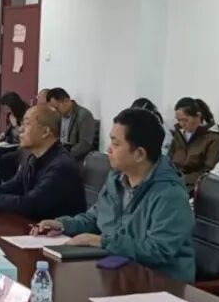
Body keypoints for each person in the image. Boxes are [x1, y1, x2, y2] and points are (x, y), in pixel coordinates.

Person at [32, 108, 196, 283]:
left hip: (160, 284)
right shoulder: (116, 179)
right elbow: (94, 218)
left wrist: (102, 242)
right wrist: (63, 225)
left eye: (116, 144)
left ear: (140, 154)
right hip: (118, 273)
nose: (108, 149)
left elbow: (158, 251)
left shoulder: (170, 195)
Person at [0, 104, 86, 220]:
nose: (20, 130)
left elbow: (30, 205)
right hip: (34, 227)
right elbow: (12, 188)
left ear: (45, 132)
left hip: (61, 235)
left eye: (26, 124)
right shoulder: (31, 157)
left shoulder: (61, 166)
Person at [168, 97, 219, 189]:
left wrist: (181, 179)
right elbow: (168, 160)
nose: (182, 124)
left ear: (198, 116)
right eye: (179, 120)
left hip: (194, 185)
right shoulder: (179, 134)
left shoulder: (213, 138)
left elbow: (208, 172)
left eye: (185, 120)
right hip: (173, 181)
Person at [45, 88, 97, 161]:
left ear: (66, 101)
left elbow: (85, 144)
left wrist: (65, 155)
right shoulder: (59, 115)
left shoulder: (84, 115)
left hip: (74, 157)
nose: (55, 111)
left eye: (56, 107)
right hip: (60, 154)